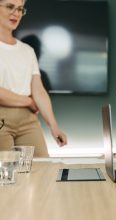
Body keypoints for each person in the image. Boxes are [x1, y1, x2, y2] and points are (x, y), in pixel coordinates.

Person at [0, 0, 67, 157]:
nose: (16, 13)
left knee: (43, 169)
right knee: (6, 176)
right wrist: (29, 101)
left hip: (28, 120)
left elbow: (39, 91)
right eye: (10, 7)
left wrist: (54, 127)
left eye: (20, 9)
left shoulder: (27, 51)